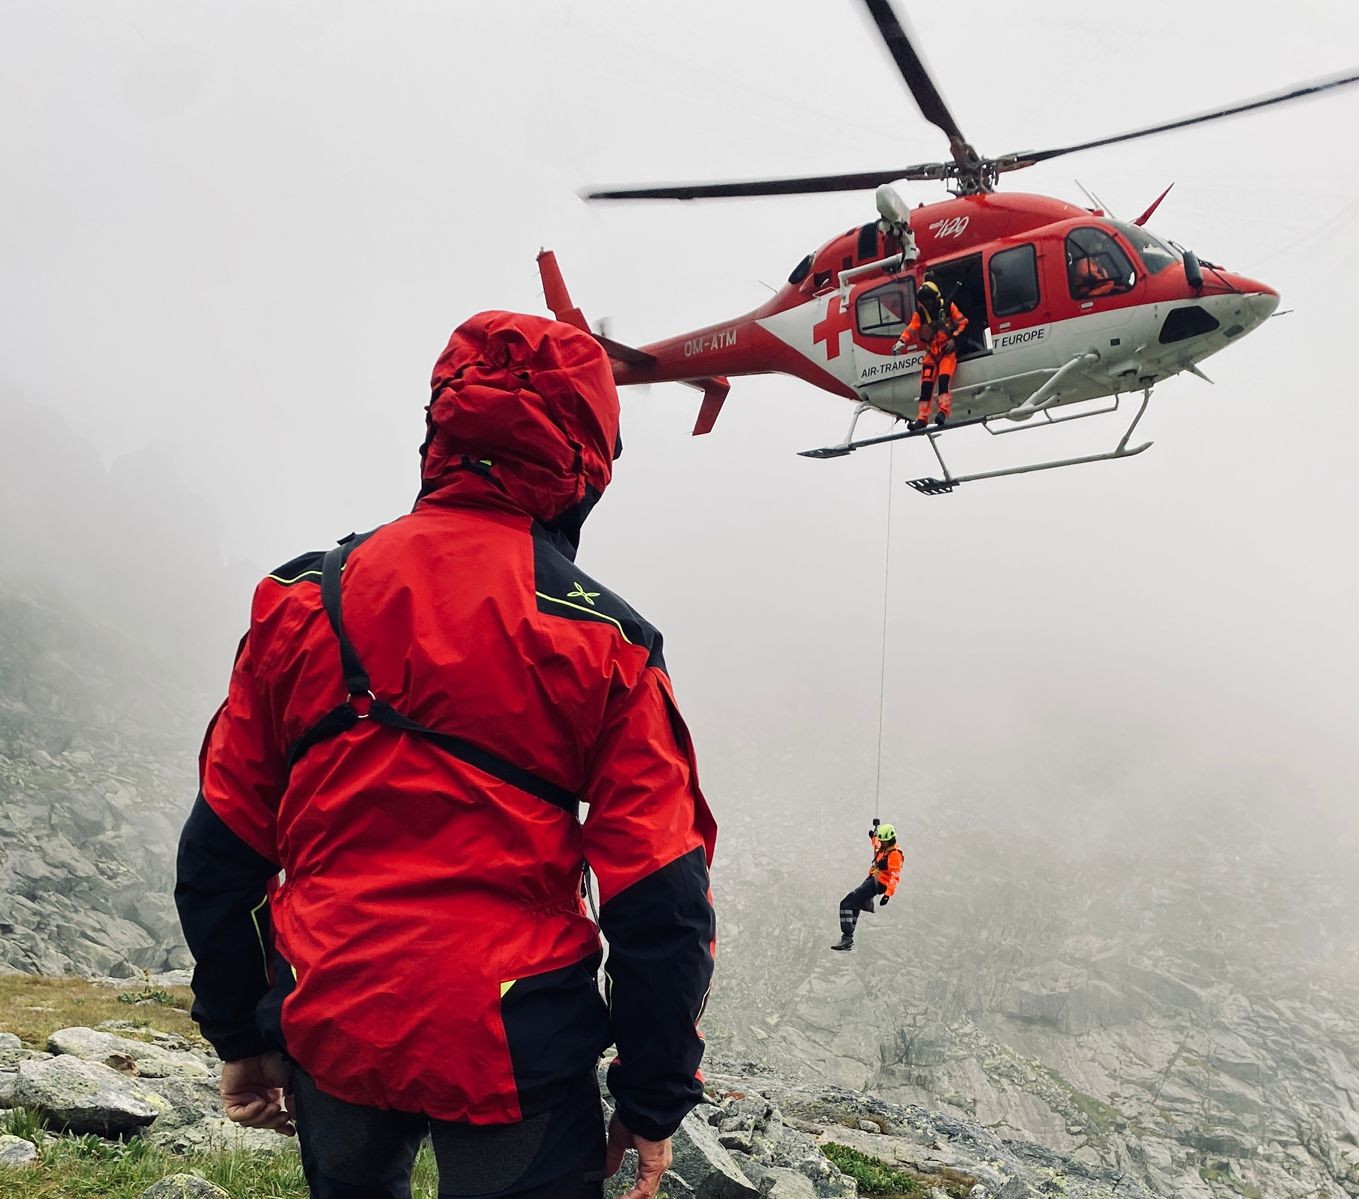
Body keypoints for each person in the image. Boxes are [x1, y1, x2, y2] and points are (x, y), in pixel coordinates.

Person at [175, 311, 717, 1199]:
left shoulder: (299, 603)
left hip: (332, 1014)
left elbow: (217, 859)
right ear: (586, 464)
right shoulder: (607, 642)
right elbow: (662, 905)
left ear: (441, 429)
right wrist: (652, 1102)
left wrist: (241, 1037)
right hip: (517, 1043)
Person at [891, 280, 969, 431]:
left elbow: (963, 323)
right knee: (926, 386)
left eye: (928, 300)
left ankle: (943, 412)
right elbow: (912, 328)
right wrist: (902, 341)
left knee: (944, 380)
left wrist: (954, 339)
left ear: (935, 297)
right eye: (924, 301)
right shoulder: (920, 314)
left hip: (947, 352)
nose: (927, 304)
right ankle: (922, 418)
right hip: (932, 353)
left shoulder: (948, 307)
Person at [830, 820, 904, 951]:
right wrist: (873, 837)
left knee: (846, 903)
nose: (881, 843)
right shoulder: (884, 848)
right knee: (856, 904)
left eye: (883, 841)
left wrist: (888, 895)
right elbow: (876, 845)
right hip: (873, 880)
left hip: (878, 883)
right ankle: (848, 937)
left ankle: (847, 937)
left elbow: (895, 876)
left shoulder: (894, 855)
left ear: (890, 840)